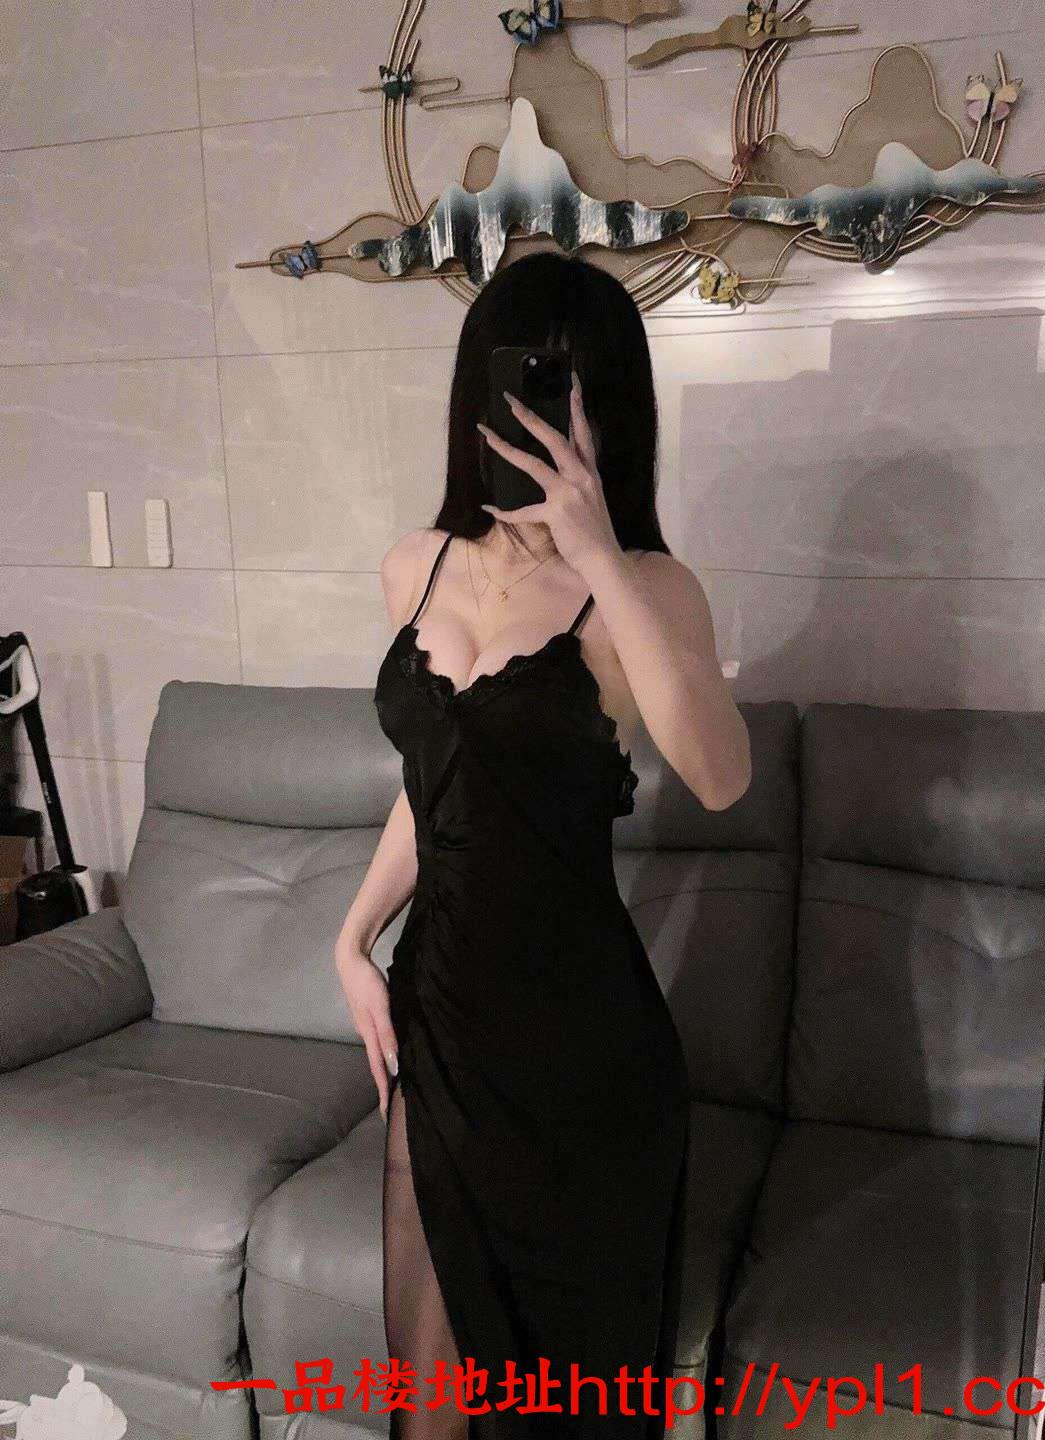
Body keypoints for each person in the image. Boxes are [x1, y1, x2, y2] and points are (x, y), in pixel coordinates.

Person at [334, 251, 752, 1439]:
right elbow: (441, 788)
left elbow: (722, 779)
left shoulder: (651, 590)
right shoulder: (413, 567)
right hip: (439, 1019)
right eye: (521, 386)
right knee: (429, 1402)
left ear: (611, 412)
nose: (540, 422)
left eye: (569, 394)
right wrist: (352, 937)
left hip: (585, 1050)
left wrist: (601, 556)